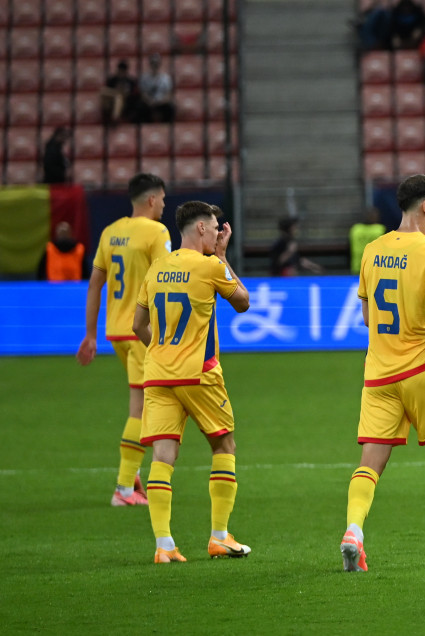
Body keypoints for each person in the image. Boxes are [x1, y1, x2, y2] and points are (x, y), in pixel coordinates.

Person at [341, 174, 425, 572]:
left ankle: (353, 531)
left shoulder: (372, 250)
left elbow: (367, 317)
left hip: (378, 375)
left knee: (369, 463)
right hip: (422, 369)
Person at [132, 202, 251, 564]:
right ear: (201, 228)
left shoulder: (156, 268)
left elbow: (138, 325)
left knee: (163, 456)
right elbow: (243, 302)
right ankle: (220, 537)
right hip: (199, 372)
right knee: (224, 445)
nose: (218, 234)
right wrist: (222, 256)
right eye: (215, 228)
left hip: (157, 373)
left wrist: (163, 352)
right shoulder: (209, 265)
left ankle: (164, 545)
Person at [77, 174, 172, 507]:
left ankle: (131, 477)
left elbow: (94, 284)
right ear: (151, 199)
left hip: (116, 331)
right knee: (143, 409)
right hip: (143, 331)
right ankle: (124, 488)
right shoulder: (157, 232)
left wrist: (90, 334)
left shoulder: (111, 232)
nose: (164, 204)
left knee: (142, 403)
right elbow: (167, 281)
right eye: (162, 198)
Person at [100, 60, 141, 125]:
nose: (121, 72)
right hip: (112, 102)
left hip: (126, 103)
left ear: (126, 71)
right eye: (120, 70)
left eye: (123, 70)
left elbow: (134, 95)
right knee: (106, 93)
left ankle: (115, 118)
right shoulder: (112, 80)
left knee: (118, 98)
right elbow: (104, 91)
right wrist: (117, 93)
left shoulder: (130, 81)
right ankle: (110, 116)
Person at [350, 207, 386, 275]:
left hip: (358, 268)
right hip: (376, 269)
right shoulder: (380, 230)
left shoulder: (356, 230)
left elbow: (349, 248)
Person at [140, 54, 175, 123]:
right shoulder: (144, 78)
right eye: (153, 63)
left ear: (159, 64)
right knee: (140, 107)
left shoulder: (166, 78)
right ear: (150, 64)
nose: (155, 65)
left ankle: (167, 126)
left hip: (162, 102)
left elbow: (169, 94)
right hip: (149, 102)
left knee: (171, 107)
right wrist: (149, 101)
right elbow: (143, 93)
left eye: (156, 63)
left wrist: (160, 101)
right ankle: (145, 126)